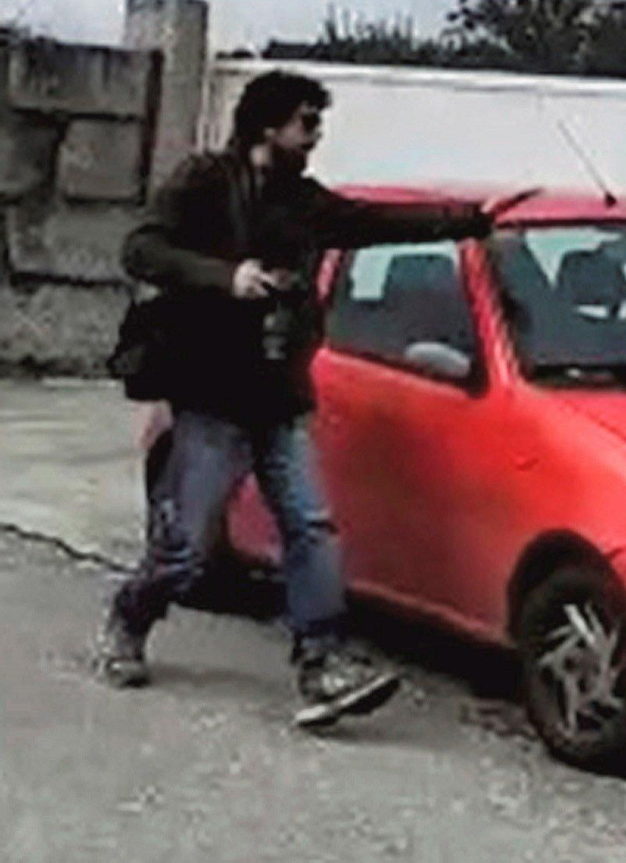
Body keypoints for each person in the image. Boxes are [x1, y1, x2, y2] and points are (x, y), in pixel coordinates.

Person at [97, 69, 492, 729]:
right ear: (267, 126)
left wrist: (471, 220)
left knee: (309, 525)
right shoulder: (205, 182)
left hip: (278, 397)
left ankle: (321, 663)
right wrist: (227, 277)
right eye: (305, 123)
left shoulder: (305, 201)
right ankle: (130, 616)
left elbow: (373, 223)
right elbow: (142, 248)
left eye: (316, 124)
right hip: (212, 395)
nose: (314, 137)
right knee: (188, 548)